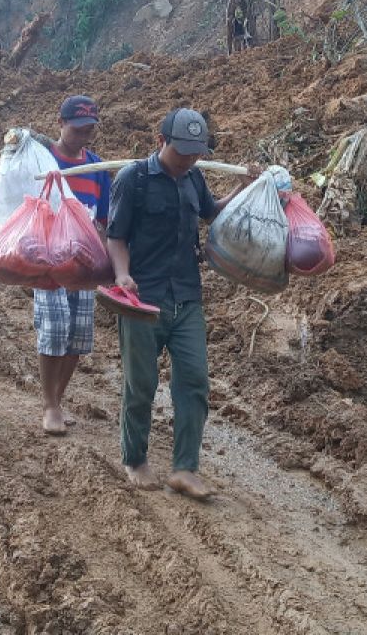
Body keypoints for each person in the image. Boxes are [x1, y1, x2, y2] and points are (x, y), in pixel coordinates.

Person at [106, 108, 256, 500]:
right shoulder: (133, 179)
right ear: (161, 142)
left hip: (187, 296)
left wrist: (248, 188)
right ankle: (134, 459)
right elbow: (115, 235)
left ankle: (184, 468)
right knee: (141, 384)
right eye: (182, 150)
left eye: (196, 152)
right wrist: (122, 275)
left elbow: (211, 213)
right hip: (142, 299)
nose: (189, 158)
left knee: (194, 382)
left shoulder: (193, 177)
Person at [33, 95, 111, 436]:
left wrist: (107, 268)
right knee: (55, 327)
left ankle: (58, 400)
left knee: (78, 336)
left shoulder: (96, 169)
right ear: (60, 123)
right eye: (77, 129)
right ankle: (49, 405)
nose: (84, 136)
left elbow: (104, 222)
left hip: (84, 262)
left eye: (89, 130)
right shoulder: (42, 160)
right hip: (49, 260)